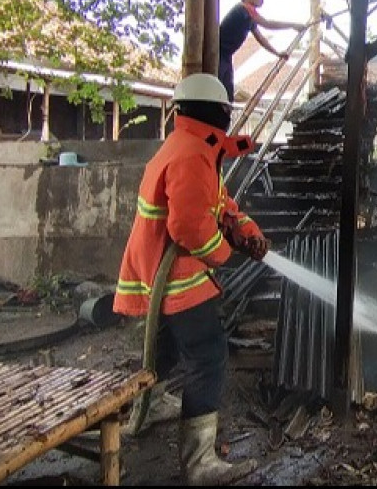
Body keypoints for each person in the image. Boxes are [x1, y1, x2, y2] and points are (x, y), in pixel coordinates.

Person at [112, 73, 270, 485]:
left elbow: (216, 201)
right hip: (176, 275)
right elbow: (188, 227)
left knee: (162, 352)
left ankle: (147, 407)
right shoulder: (191, 154)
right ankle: (200, 463)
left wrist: (245, 228)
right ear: (218, 112)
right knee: (208, 354)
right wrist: (223, 254)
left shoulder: (193, 145)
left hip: (161, 269)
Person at [218, 0, 307, 103]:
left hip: (226, 56)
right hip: (218, 54)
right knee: (218, 93)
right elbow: (267, 24)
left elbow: (261, 39)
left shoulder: (250, 17)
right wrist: (292, 25)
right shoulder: (243, 8)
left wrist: (277, 53)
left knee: (227, 95)